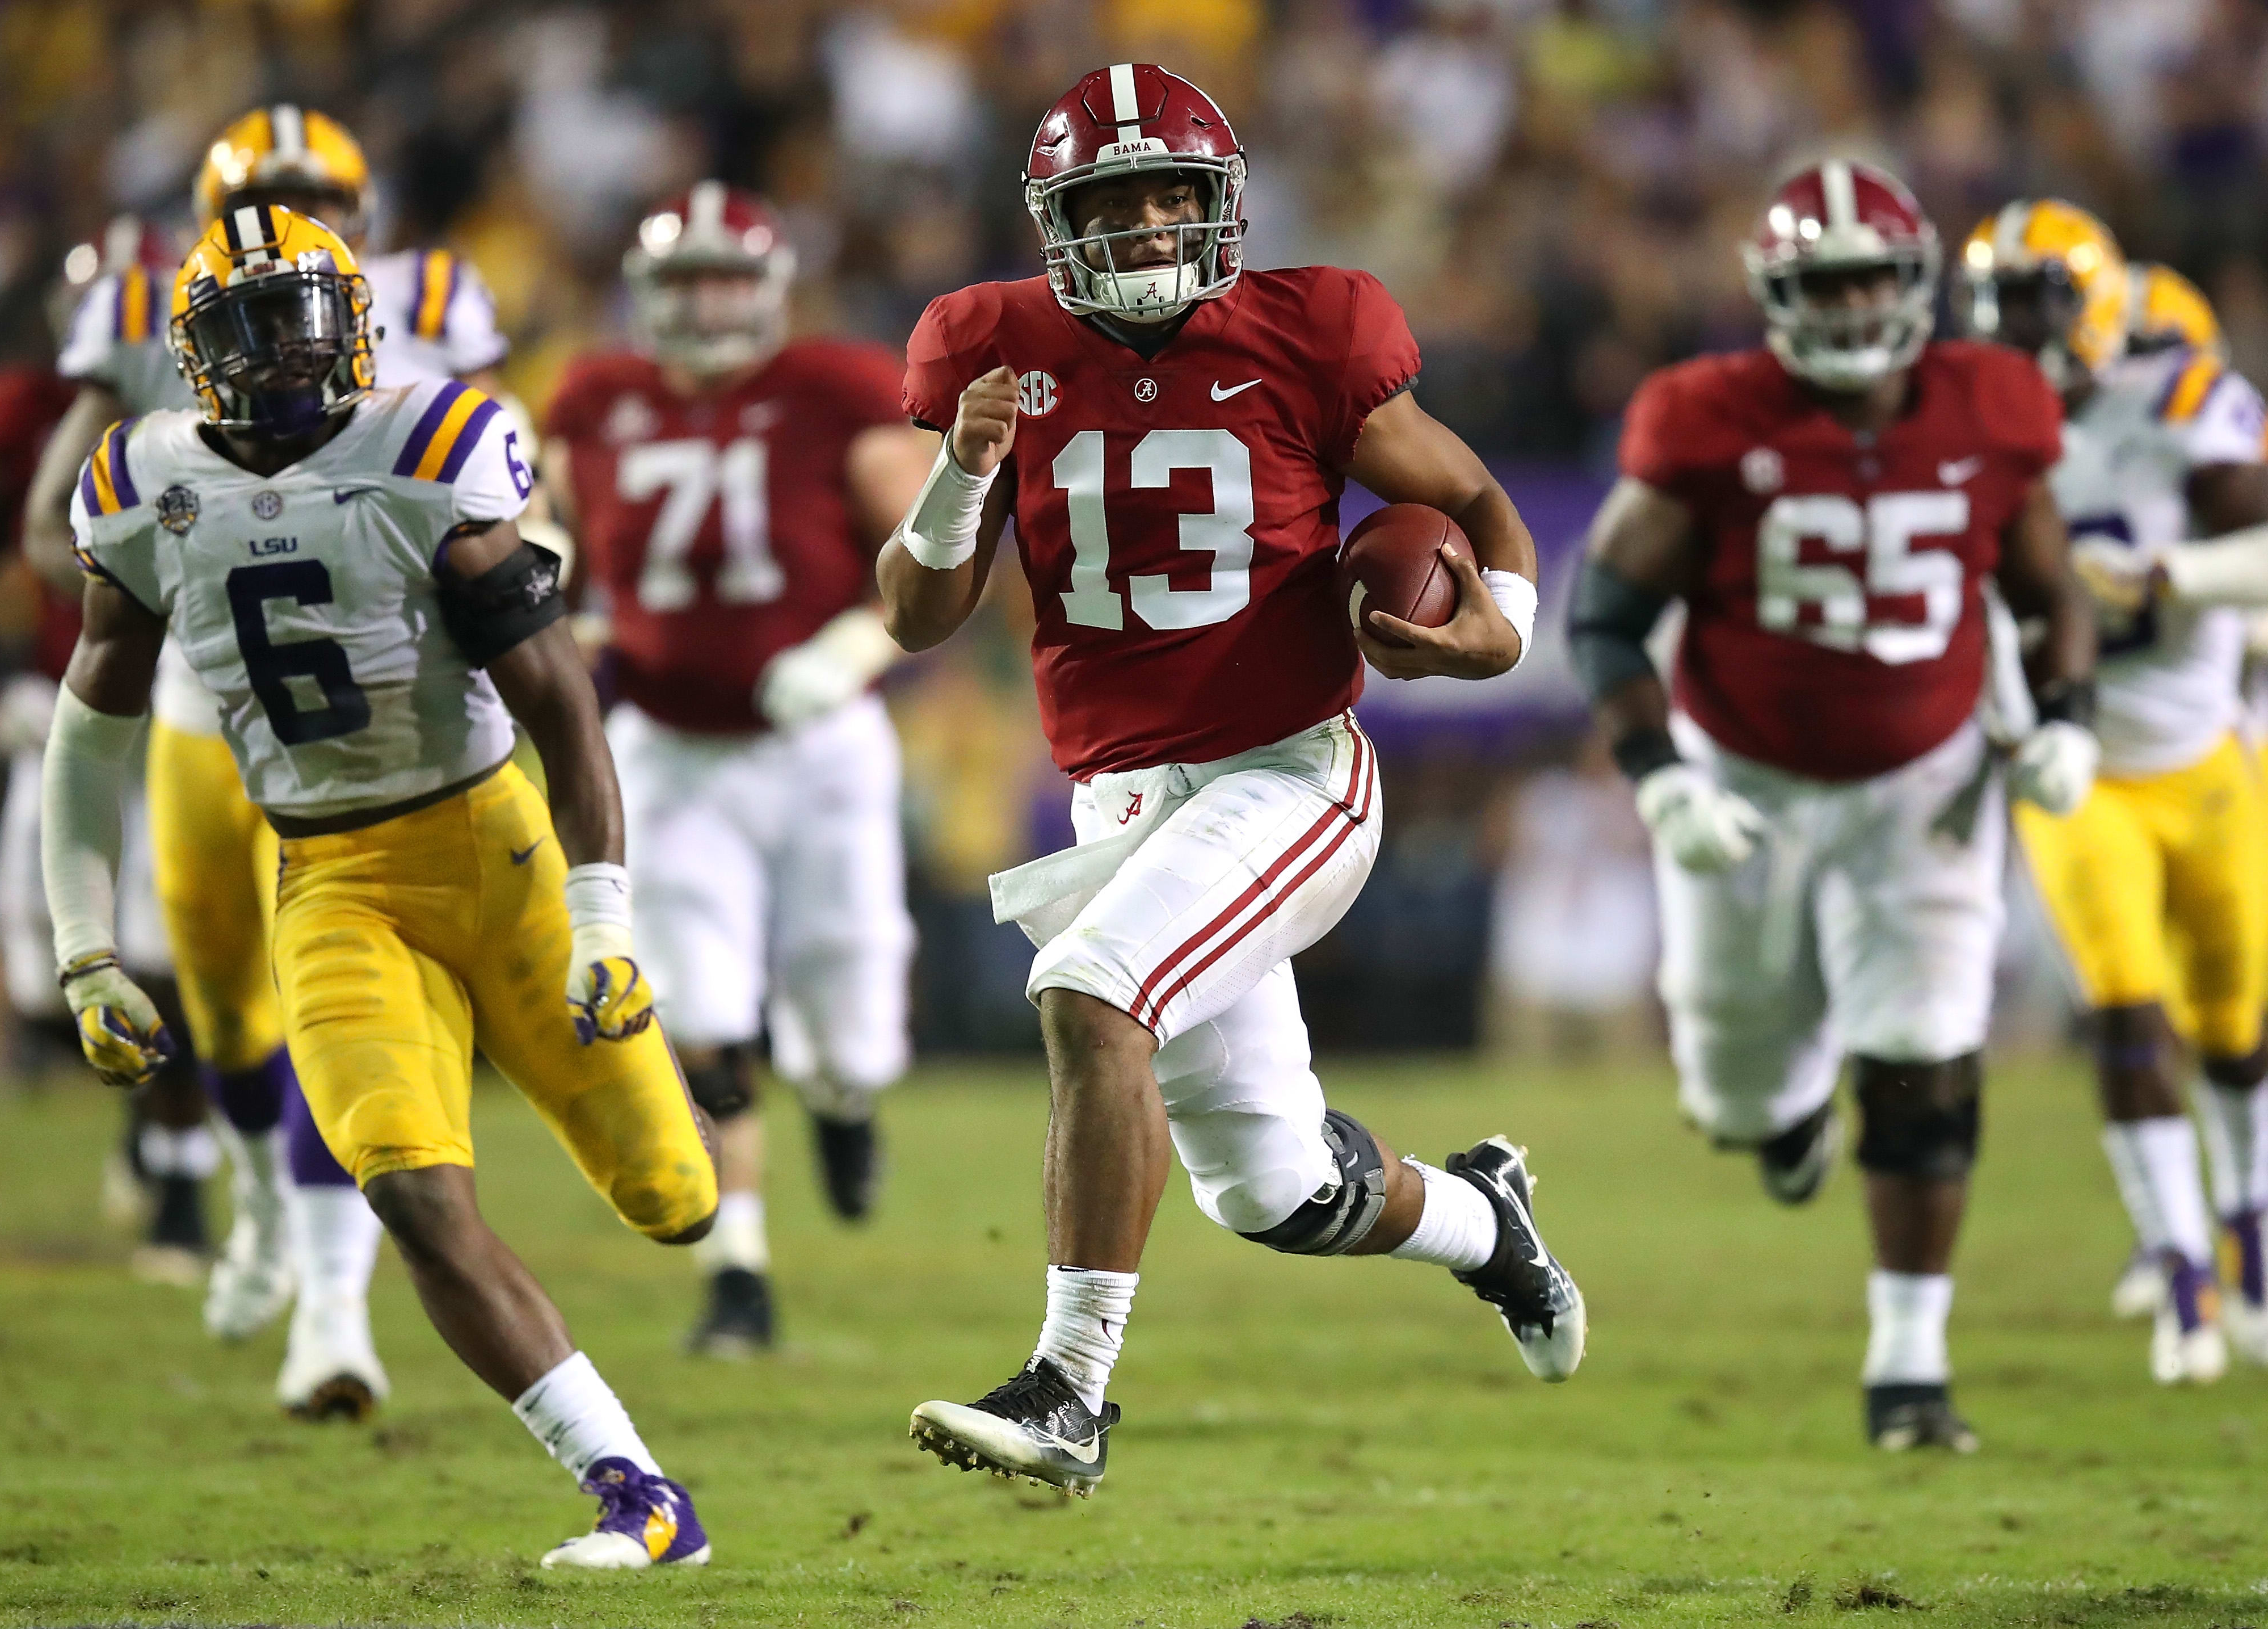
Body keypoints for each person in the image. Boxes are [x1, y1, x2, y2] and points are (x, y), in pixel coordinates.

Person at [883, 64, 1584, 1497]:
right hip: (1123, 802)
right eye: (1110, 202)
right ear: (1053, 220)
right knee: (1273, 1189)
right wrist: (962, 474)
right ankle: (1486, 1219)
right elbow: (913, 612)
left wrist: (1489, 634)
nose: (1144, 226)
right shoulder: (987, 347)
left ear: (1218, 206)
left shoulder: (1305, 330)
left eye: (1167, 196)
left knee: (1091, 993)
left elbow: (1467, 503)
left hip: (1290, 771)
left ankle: (1070, 1395)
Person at [46, 203, 717, 1568]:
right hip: (328, 873)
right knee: (406, 1186)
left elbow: (563, 709)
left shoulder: (430, 452)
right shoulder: (139, 483)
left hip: (491, 846)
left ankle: (702, 1145)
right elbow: (87, 731)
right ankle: (638, 1494)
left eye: (305, 317)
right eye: (249, 326)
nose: (284, 355)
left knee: (673, 1196)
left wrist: (600, 920)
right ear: (193, 348)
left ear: (356, 322)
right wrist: (85, 949)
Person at [1567, 159, 2099, 1451]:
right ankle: (1785, 1118)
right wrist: (1661, 777)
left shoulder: (1992, 405)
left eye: (1874, 278)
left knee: (1925, 1051)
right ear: (1773, 295)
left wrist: (2068, 717)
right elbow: (1604, 613)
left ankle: (1906, 1371)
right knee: (1736, 1096)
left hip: (1924, 778)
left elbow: (2048, 586)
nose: (1856, 305)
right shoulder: (1705, 417)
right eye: (1826, 282)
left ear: (1917, 285)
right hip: (1743, 776)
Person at [20, 105, 533, 1420]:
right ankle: (258, 1208)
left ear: (367, 206)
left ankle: (330, 1308)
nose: (309, 208)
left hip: (378, 710)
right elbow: (44, 521)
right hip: (205, 707)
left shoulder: (430, 301)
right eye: (277, 188)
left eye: (325, 189)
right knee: (228, 1010)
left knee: (335, 1011)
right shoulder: (152, 310)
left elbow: (535, 491)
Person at [547, 183, 933, 1355]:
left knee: (846, 1003)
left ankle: (841, 1096)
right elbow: (551, 540)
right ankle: (740, 1271)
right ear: (646, 294)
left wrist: (854, 643)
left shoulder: (835, 388)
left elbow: (932, 552)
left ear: (766, 289)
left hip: (819, 746)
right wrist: (544, 589)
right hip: (668, 748)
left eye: (725, 279)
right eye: (682, 282)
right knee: (702, 1013)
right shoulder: (594, 397)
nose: (705, 303)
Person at [1962, 201, 2268, 1382]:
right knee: (2126, 1013)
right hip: (2075, 763)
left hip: (2201, 758)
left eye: (2032, 300)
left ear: (2091, 305)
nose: (2009, 328)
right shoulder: (1973, 429)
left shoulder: (2178, 404)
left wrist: (2159, 573)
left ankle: (2245, 1227)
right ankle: (2182, 1270)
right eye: (1993, 304)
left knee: (2233, 1027)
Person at [0, 230, 217, 1284]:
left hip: (193, 708)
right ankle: (155, 1119)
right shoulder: (31, 412)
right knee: (43, 968)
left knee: (163, 947)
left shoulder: (228, 404)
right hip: (72, 714)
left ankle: (184, 1179)